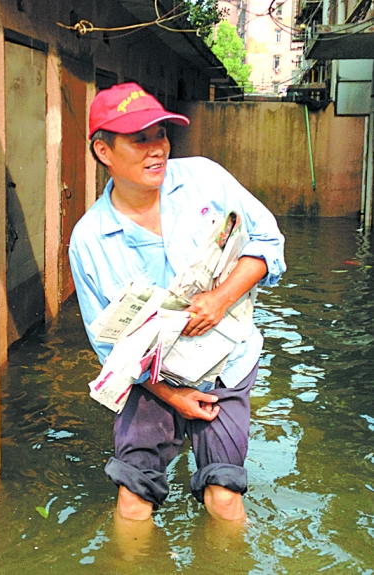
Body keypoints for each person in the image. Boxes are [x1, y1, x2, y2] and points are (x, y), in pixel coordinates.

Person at [69, 82, 286, 524]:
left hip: (227, 361)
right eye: (140, 139)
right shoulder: (89, 241)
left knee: (223, 494)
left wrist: (220, 299)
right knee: (135, 499)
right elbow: (110, 348)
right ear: (103, 151)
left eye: (161, 135)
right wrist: (174, 396)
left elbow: (268, 242)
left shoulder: (204, 179)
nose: (157, 149)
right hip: (155, 378)